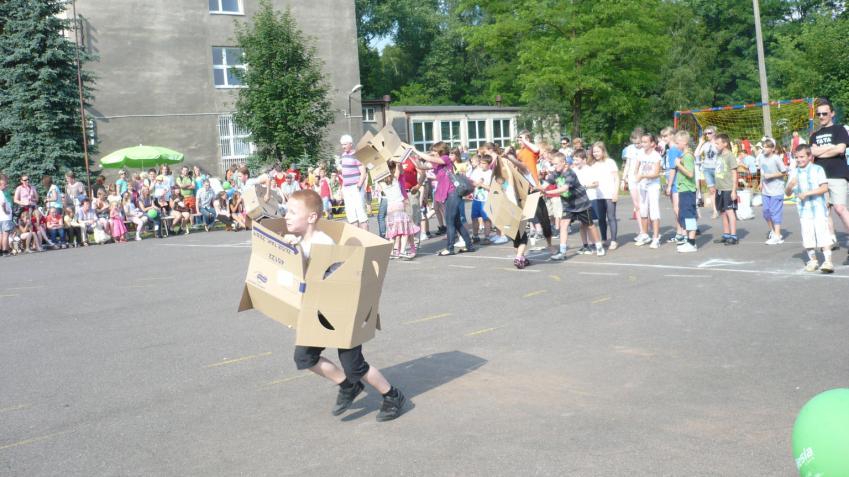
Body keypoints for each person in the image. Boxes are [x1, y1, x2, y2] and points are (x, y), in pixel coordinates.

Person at [283, 189, 406, 421]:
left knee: (354, 366)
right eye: (286, 211)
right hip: (320, 312)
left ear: (311, 217)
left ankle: (392, 395)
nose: (286, 216)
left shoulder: (323, 243)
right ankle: (348, 386)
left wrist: (297, 252)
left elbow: (335, 280)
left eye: (292, 212)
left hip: (343, 313)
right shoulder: (302, 242)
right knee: (304, 358)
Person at [544, 151, 604, 261]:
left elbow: (564, 188)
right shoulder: (555, 173)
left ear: (563, 162)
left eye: (556, 164)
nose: (554, 166)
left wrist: (547, 193)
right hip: (568, 205)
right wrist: (539, 189)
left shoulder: (569, 173)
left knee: (590, 225)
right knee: (563, 225)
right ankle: (562, 252)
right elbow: (545, 184)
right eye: (553, 164)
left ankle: (599, 246)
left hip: (581, 203)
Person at [809, 100, 849, 255]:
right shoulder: (815, 135)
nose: (821, 116)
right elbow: (812, 152)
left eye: (824, 113)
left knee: (840, 208)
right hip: (820, 176)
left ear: (832, 114)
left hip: (837, 174)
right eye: (818, 114)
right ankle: (831, 239)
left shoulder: (839, 130)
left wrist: (821, 151)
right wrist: (830, 148)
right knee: (825, 210)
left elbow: (840, 149)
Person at [421, 142, 475, 256]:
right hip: (448, 195)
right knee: (457, 222)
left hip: (453, 194)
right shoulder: (438, 164)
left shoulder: (445, 158)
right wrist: (411, 157)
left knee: (450, 222)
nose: (433, 152)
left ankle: (449, 248)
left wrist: (414, 150)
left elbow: (428, 158)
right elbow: (422, 166)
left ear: (440, 151)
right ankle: (469, 246)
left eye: (435, 151)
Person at [786, 145, 834, 273]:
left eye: (802, 157)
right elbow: (788, 192)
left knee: (822, 234)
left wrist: (807, 193)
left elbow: (824, 188)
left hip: (818, 208)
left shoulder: (818, 169)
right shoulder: (794, 172)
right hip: (803, 210)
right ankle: (813, 260)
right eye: (797, 157)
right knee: (807, 235)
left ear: (809, 157)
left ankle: (828, 261)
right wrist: (790, 185)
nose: (799, 160)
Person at [384, 162, 420, 259]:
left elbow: (399, 168)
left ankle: (406, 249)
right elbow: (398, 168)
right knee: (403, 229)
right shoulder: (394, 178)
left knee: (405, 228)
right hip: (401, 203)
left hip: (398, 203)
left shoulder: (390, 178)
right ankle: (400, 250)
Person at [634, 133, 663, 248]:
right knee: (643, 211)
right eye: (642, 142)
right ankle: (645, 235)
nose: (643, 144)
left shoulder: (656, 156)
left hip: (653, 186)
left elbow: (656, 174)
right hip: (642, 185)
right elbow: (636, 168)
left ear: (652, 144)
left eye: (645, 142)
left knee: (654, 211)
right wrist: (636, 176)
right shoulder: (640, 153)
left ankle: (656, 238)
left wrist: (642, 176)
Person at [590, 142, 620, 250]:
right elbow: (593, 180)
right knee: (601, 218)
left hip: (610, 193)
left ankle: (613, 240)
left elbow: (616, 178)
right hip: (598, 195)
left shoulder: (610, 162)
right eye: (594, 152)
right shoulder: (593, 165)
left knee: (611, 217)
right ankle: (604, 238)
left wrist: (616, 192)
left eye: (597, 151)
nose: (595, 154)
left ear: (603, 151)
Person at [673, 131, 699, 253]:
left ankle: (692, 242)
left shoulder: (688, 156)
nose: (676, 145)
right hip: (683, 189)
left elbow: (690, 173)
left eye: (678, 143)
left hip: (688, 189)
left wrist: (679, 165)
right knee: (685, 216)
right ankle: (689, 241)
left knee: (689, 216)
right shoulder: (684, 155)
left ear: (684, 142)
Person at [759, 138, 787, 245]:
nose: (764, 148)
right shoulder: (761, 158)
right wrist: (761, 182)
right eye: (764, 146)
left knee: (775, 212)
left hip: (777, 189)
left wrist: (771, 175)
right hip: (766, 190)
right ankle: (774, 231)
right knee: (766, 212)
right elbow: (762, 171)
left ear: (772, 148)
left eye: (767, 146)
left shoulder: (776, 159)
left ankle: (777, 235)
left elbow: (784, 172)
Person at [712, 133, 739, 245]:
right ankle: (726, 234)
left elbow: (734, 174)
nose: (716, 145)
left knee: (729, 211)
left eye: (718, 143)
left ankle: (733, 236)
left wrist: (734, 190)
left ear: (725, 144)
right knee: (723, 212)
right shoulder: (719, 154)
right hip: (720, 188)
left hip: (728, 188)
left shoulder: (730, 156)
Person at [339, 134, 369, 230]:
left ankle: (367, 240)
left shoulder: (357, 155)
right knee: (351, 217)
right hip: (347, 188)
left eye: (345, 144)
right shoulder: (343, 156)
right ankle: (358, 242)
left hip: (356, 187)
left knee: (361, 216)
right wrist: (342, 188)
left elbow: (363, 172)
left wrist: (359, 186)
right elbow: (344, 174)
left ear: (350, 144)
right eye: (342, 144)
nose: (343, 146)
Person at [661, 128, 685, 244]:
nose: (664, 138)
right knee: (676, 208)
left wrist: (669, 185)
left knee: (678, 209)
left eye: (666, 135)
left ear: (672, 135)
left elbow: (673, 169)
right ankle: (679, 233)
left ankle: (684, 233)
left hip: (677, 182)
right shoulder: (669, 149)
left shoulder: (674, 150)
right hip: (673, 181)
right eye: (662, 136)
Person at [622, 128, 644, 234]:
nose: (637, 145)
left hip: (643, 178)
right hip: (632, 178)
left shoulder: (646, 148)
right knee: (637, 205)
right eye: (635, 143)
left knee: (644, 204)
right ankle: (642, 231)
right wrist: (623, 179)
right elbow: (627, 164)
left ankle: (646, 227)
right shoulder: (630, 149)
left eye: (639, 143)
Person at [695, 126, 720, 218]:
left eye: (709, 133)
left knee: (721, 189)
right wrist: (700, 143)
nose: (707, 135)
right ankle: (715, 210)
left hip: (717, 169)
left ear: (714, 133)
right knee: (711, 190)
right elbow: (696, 154)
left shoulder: (718, 143)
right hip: (707, 169)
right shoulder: (705, 144)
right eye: (705, 133)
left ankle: (722, 207)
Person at [467, 154, 493, 244]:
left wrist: (481, 184)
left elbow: (492, 188)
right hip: (476, 199)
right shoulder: (476, 171)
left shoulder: (490, 173)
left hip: (486, 200)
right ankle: (475, 236)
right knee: (474, 218)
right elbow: (471, 182)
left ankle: (487, 237)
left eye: (484, 163)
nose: (481, 164)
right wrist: (475, 183)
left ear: (488, 164)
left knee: (486, 219)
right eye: (481, 162)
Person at [0, 175, 12, 257]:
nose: (5, 186)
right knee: (5, 234)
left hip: (0, 217)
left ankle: (1, 250)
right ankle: (5, 250)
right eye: (4, 184)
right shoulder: (1, 193)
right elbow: (3, 203)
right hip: (4, 217)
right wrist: (6, 211)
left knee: (1, 234)